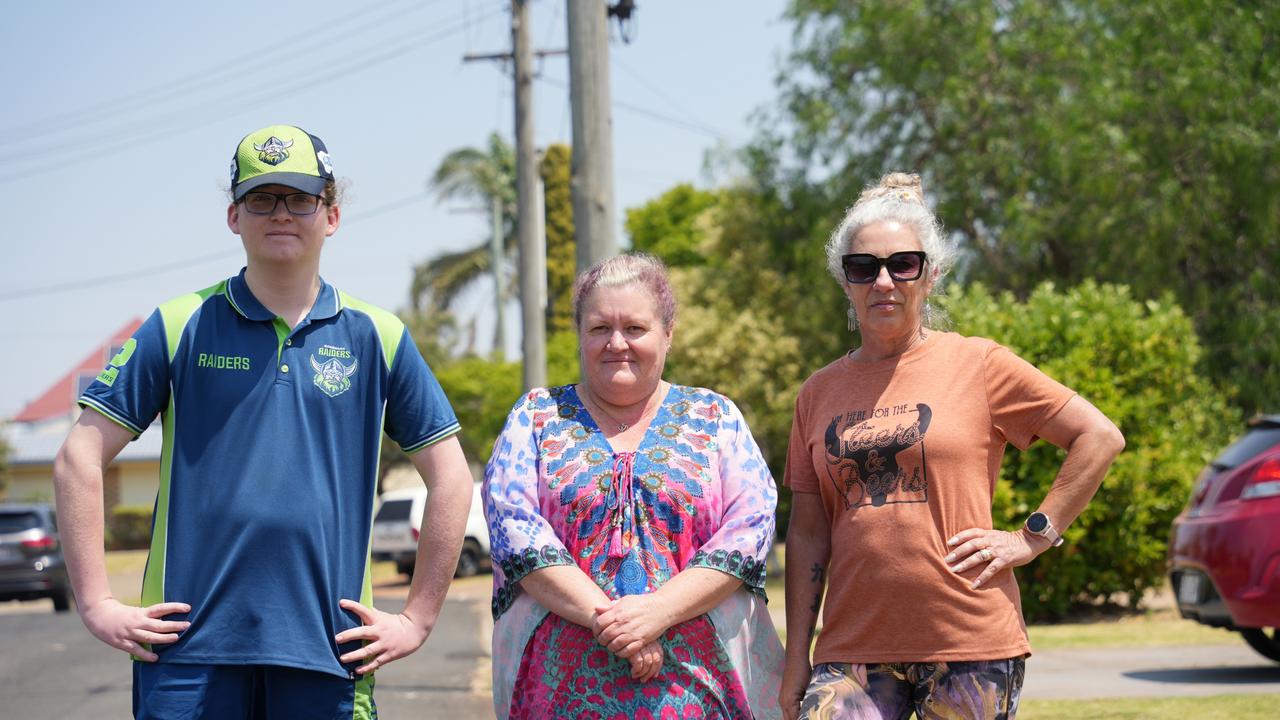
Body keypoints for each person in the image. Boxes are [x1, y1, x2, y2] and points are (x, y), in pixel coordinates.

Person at [53, 125, 474, 719]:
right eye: (261, 198)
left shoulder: (378, 335)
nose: (281, 214)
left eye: (300, 198)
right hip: (185, 650)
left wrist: (417, 618)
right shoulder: (179, 324)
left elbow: (451, 478)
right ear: (234, 216)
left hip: (331, 647)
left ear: (331, 215)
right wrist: (96, 602)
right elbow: (78, 457)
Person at [779, 173, 1126, 720]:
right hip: (852, 650)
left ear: (931, 275)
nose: (884, 281)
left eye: (903, 265)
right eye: (864, 268)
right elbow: (806, 533)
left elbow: (1099, 437)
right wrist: (796, 654)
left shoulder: (980, 364)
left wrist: (1032, 537)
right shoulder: (817, 392)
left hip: (969, 640)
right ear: (845, 281)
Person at [483, 253, 784, 718]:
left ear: (668, 333)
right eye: (599, 328)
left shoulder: (714, 416)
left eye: (635, 329)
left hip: (698, 687)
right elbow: (514, 528)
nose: (616, 343)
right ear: (580, 334)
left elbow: (752, 526)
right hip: (559, 691)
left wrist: (659, 611)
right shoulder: (536, 416)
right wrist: (618, 624)